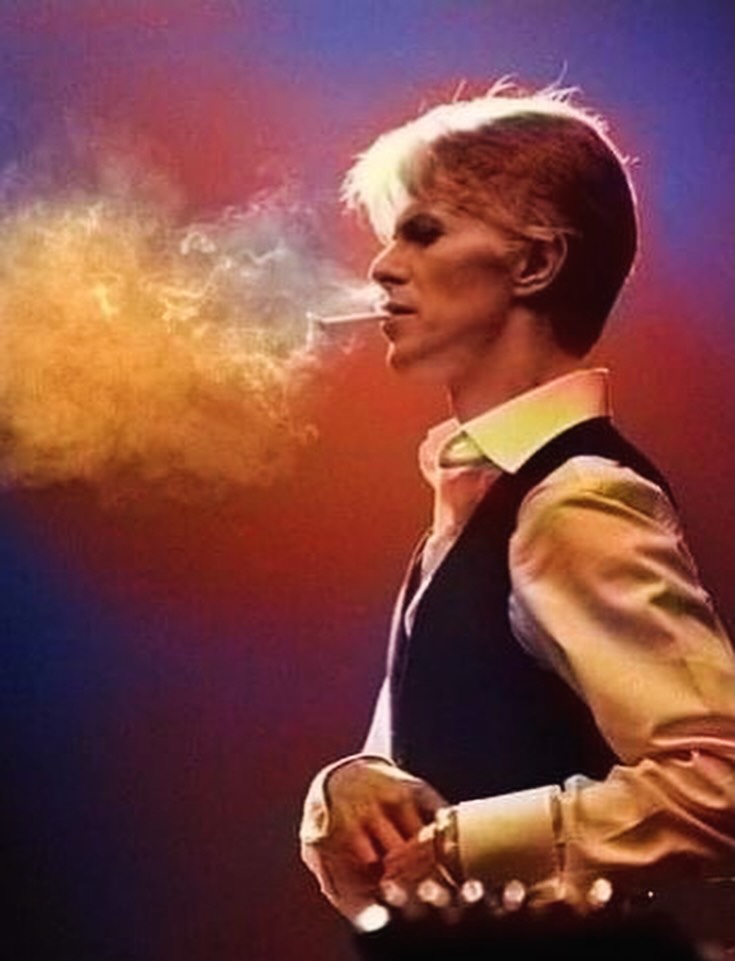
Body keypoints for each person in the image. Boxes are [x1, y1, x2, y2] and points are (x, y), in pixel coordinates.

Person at [299, 82, 734, 956]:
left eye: (423, 232)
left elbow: (718, 783)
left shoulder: (575, 497)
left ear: (534, 264)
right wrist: (346, 786)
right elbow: (419, 767)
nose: (381, 267)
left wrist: (464, 844)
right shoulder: (478, 500)